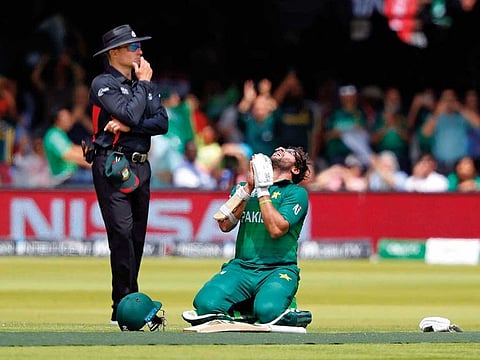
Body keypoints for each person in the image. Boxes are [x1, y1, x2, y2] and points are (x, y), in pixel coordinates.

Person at [88, 24, 169, 324]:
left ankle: (124, 304)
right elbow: (132, 113)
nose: (140, 51)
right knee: (121, 234)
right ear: (115, 52)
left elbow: (161, 123)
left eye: (139, 46)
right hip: (112, 164)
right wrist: (144, 86)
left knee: (136, 237)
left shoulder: (142, 83)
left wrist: (128, 127)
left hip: (141, 165)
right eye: (133, 47)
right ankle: (124, 303)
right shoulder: (103, 83)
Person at [184, 146, 313, 328]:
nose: (281, 148)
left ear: (295, 169)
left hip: (277, 269)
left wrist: (262, 190)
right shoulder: (244, 188)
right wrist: (249, 187)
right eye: (281, 148)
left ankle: (284, 306)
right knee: (205, 304)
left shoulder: (295, 193)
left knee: (268, 311)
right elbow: (225, 225)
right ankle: (248, 308)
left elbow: (276, 229)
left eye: (290, 152)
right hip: (242, 267)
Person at [42, 105, 93, 187]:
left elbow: (75, 149)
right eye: (66, 117)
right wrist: (93, 164)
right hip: (63, 178)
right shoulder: (54, 135)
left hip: (73, 176)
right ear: (57, 120)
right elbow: (68, 155)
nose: (69, 120)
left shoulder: (61, 134)